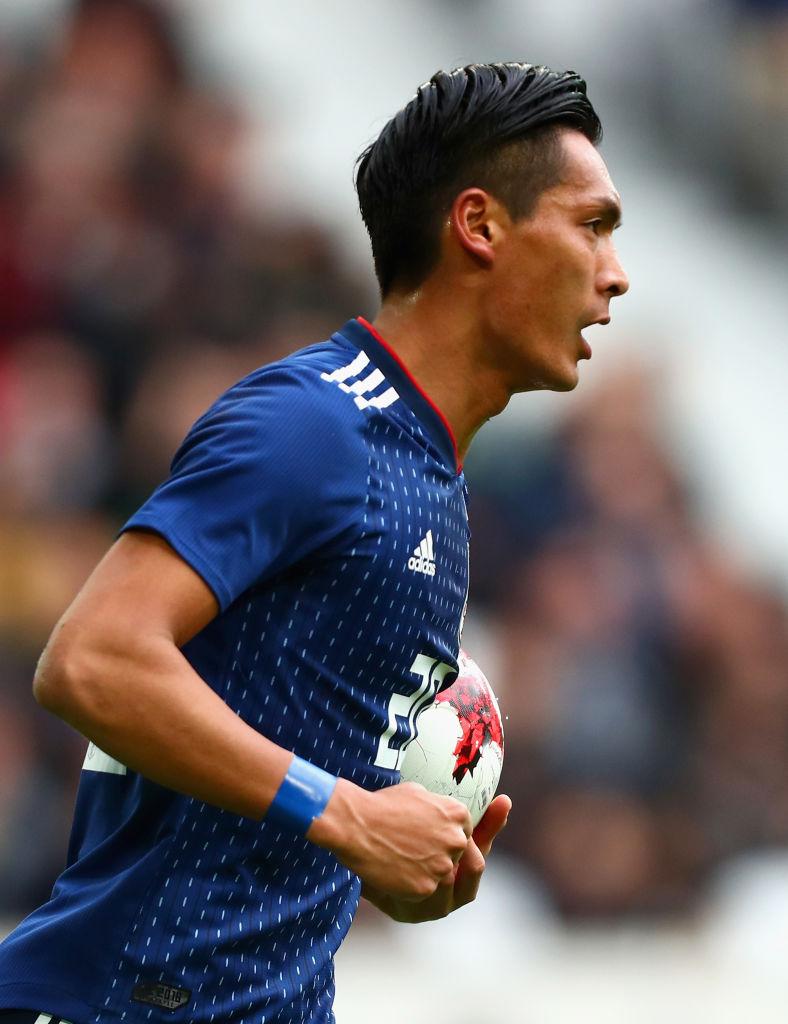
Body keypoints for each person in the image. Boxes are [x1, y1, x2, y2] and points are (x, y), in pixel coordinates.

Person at [0, 62, 628, 1024]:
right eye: (592, 225)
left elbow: (286, 793)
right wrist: (349, 817)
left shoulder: (431, 480)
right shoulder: (315, 423)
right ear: (480, 225)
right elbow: (92, 660)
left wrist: (389, 861)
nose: (615, 273)